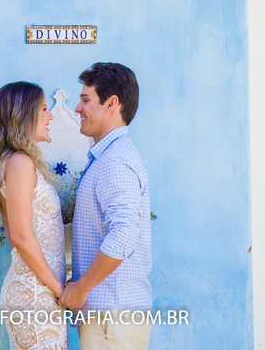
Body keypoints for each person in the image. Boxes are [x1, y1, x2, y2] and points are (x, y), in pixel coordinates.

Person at [60, 62, 152, 349]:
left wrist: (82, 288)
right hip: (110, 316)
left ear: (112, 103)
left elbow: (124, 233)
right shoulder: (107, 157)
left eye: (86, 100)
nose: (77, 109)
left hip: (114, 316)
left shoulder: (113, 162)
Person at [0, 81, 68, 350]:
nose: (50, 115)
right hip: (34, 294)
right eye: (43, 109)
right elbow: (20, 236)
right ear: (24, 114)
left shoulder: (19, 162)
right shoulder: (20, 162)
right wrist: (60, 290)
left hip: (39, 293)